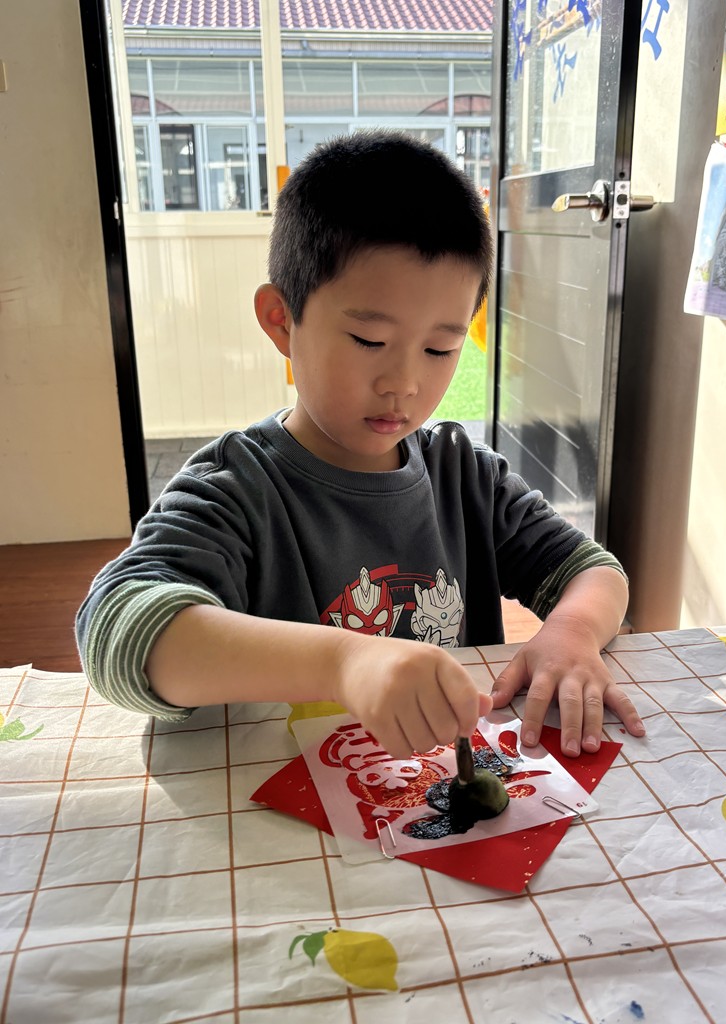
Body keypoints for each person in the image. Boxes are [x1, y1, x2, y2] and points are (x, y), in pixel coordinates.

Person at [76, 130, 645, 760]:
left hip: (437, 789)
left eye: (440, 349)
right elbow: (120, 630)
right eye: (369, 342)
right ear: (281, 321)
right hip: (273, 793)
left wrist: (572, 631)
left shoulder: (465, 477)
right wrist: (344, 662)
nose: (404, 382)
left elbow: (592, 569)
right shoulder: (236, 489)